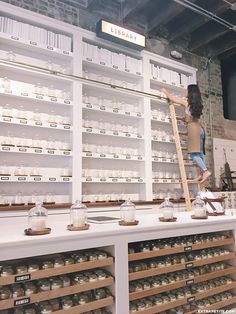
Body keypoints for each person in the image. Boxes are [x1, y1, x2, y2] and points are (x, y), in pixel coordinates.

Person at [161, 84, 211, 184]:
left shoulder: (186, 102)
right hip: (200, 129)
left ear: (190, 92)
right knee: (200, 153)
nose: (185, 91)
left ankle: (205, 171)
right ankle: (201, 174)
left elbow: (173, 98)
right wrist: (180, 118)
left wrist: (164, 91)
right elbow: (190, 118)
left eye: (187, 90)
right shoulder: (196, 105)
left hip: (193, 129)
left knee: (193, 154)